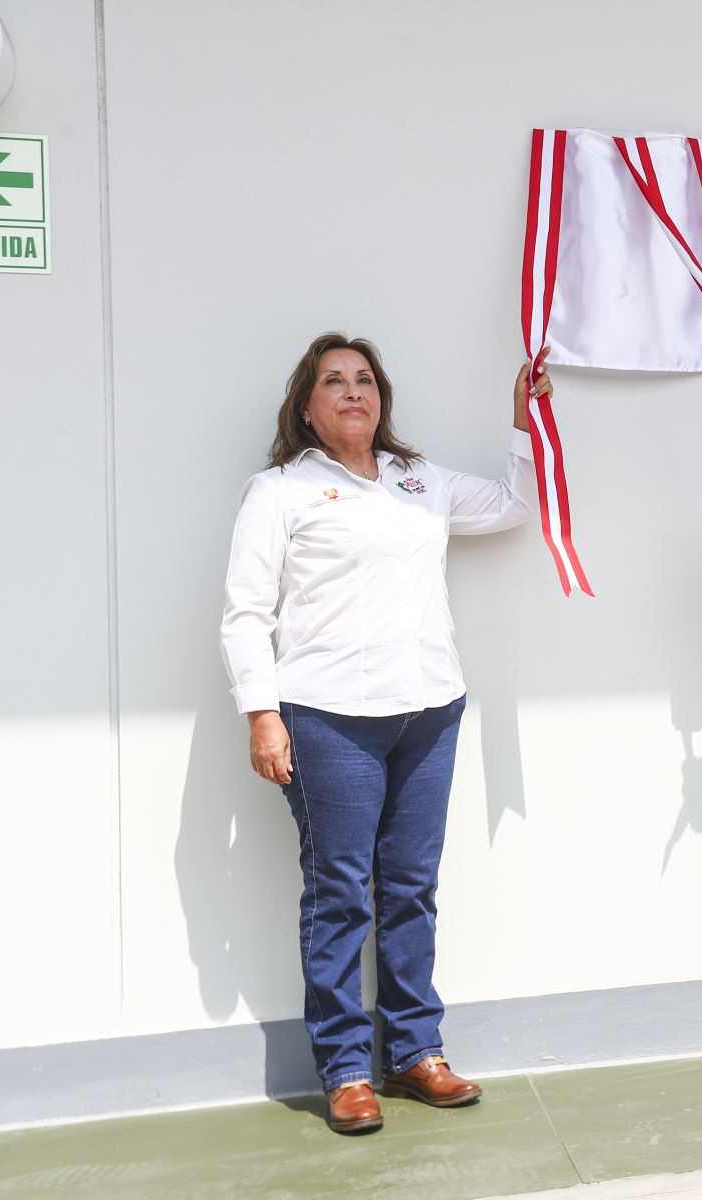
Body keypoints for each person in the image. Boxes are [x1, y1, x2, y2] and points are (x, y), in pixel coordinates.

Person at [220, 332, 545, 1133]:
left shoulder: (418, 480)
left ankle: (413, 1053)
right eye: (334, 381)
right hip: (327, 718)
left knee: (409, 890)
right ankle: (344, 1069)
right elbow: (244, 614)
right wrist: (263, 714)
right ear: (307, 405)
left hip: (429, 711)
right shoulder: (279, 492)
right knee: (339, 895)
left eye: (365, 379)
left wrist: (523, 420)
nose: (353, 392)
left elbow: (512, 506)